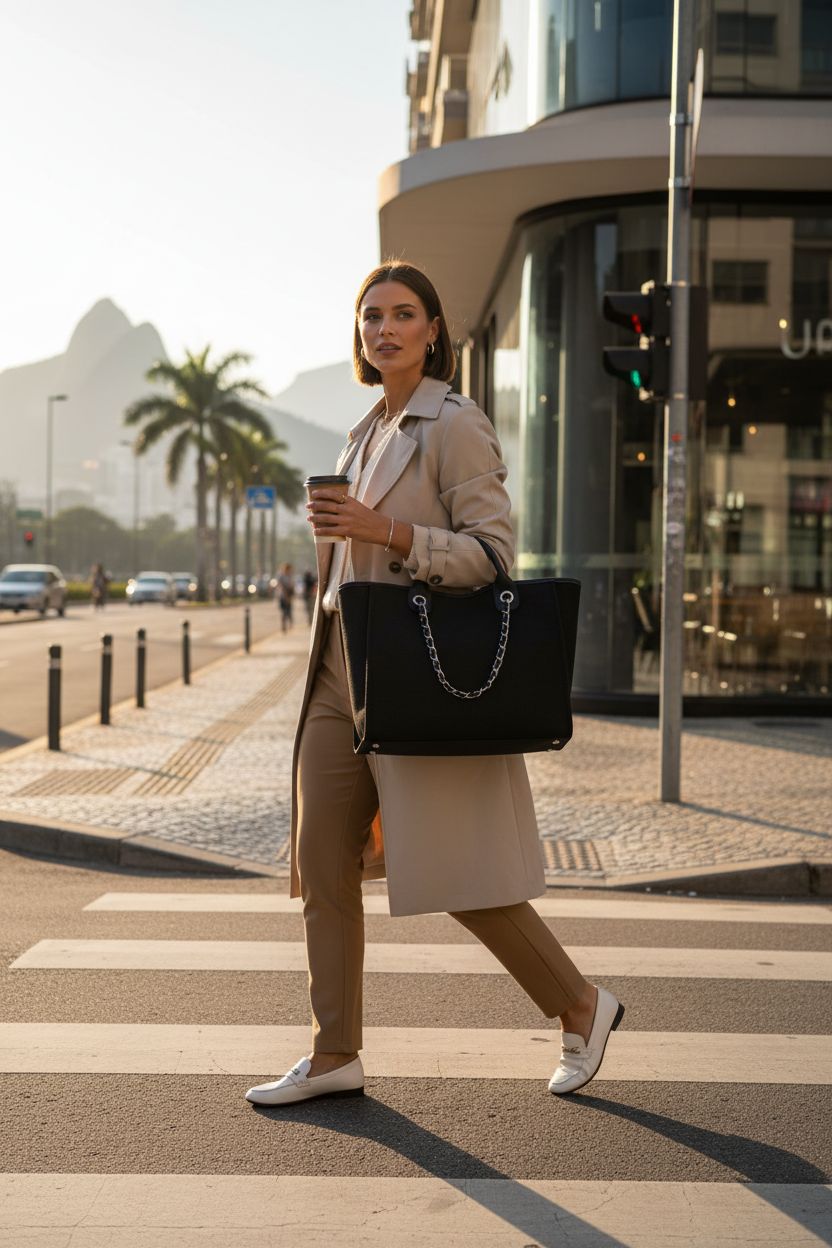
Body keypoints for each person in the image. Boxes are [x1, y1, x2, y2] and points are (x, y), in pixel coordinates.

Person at [245, 262, 623, 1109]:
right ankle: (335, 1051)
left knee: (449, 870)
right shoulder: (362, 432)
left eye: (402, 314)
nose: (383, 329)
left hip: (415, 674)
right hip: (339, 668)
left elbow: (493, 556)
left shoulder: (453, 423)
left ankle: (580, 1005)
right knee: (320, 860)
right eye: (369, 315)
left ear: (432, 329)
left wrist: (384, 528)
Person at [277, 563, 295, 632]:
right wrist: (286, 595)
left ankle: (290, 624)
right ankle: (284, 626)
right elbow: (281, 586)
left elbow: (292, 586)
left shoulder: (290, 576)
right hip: (283, 597)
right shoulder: (281, 576)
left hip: (289, 596)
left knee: (289, 611)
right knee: (284, 612)